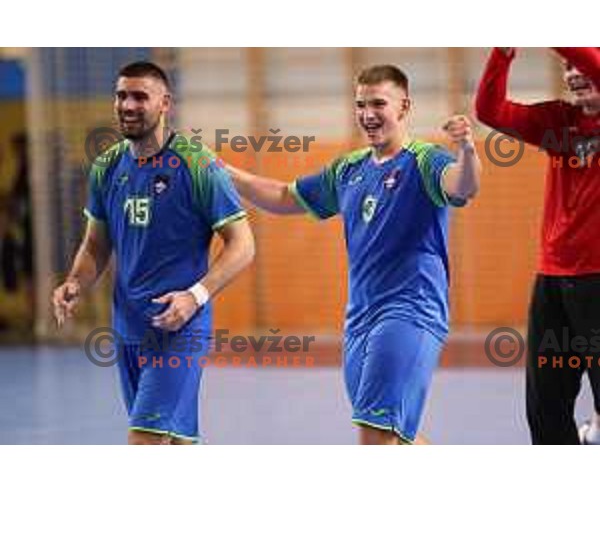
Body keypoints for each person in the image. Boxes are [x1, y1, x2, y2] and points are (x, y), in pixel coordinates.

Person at [227, 64, 481, 445]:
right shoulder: (349, 169)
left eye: (379, 103)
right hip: (360, 320)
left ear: (404, 107)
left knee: (374, 435)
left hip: (410, 312)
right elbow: (283, 196)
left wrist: (466, 149)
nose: (367, 114)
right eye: (360, 104)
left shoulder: (426, 161)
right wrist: (222, 170)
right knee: (394, 438)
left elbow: (463, 185)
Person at [52, 61, 254, 445]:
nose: (127, 105)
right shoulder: (106, 168)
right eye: (121, 95)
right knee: (175, 441)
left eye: (139, 97)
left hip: (179, 329)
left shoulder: (197, 165)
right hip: (127, 327)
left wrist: (195, 297)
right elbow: (96, 243)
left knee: (144, 439)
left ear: (165, 104)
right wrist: (75, 281)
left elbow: (243, 244)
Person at [475, 47, 600, 445]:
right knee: (545, 408)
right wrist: (504, 51)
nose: (573, 73)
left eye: (579, 64)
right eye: (566, 67)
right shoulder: (559, 121)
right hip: (553, 281)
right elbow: (490, 110)